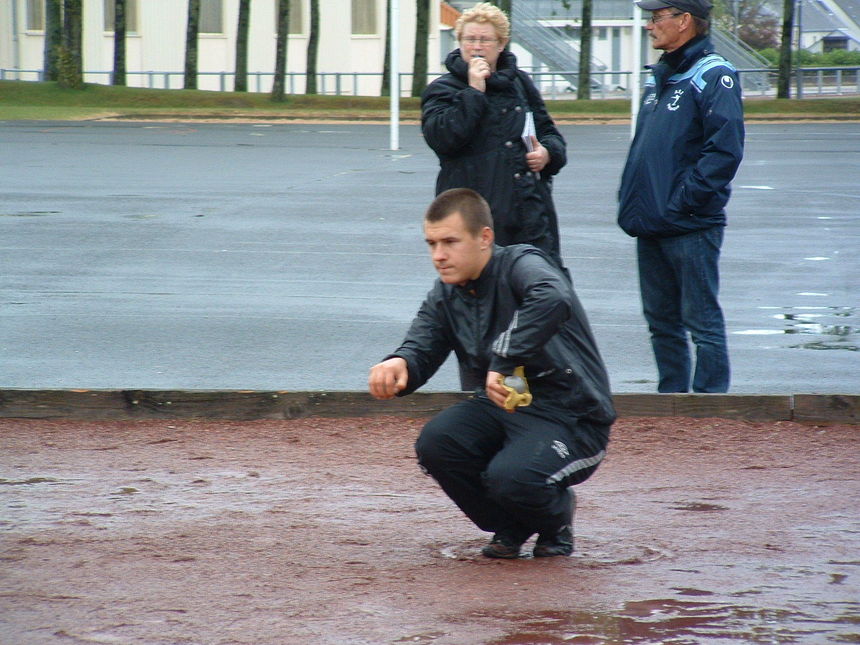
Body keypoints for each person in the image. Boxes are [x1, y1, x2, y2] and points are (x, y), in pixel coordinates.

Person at [368, 188, 615, 559]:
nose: (438, 255)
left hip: (573, 415)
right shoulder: (446, 294)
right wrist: (399, 363)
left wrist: (504, 358)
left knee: (512, 478)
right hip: (505, 405)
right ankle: (513, 523)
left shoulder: (521, 263)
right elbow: (421, 345)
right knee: (437, 443)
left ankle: (556, 521)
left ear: (484, 237)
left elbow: (553, 296)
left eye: (450, 242)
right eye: (432, 244)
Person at [617, 0, 744, 393]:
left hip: (689, 223)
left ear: (684, 21)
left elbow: (724, 151)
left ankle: (710, 407)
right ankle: (671, 403)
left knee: (702, 322)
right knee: (661, 323)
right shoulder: (660, 77)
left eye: (657, 18)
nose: (649, 26)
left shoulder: (714, 74)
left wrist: (685, 201)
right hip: (651, 221)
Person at [420, 2, 567, 268]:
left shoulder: (519, 82)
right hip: (473, 216)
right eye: (470, 39)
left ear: (501, 44)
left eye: (485, 39)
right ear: (459, 42)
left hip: (529, 213)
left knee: (543, 285)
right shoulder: (443, 89)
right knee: (482, 287)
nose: (476, 46)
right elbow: (442, 138)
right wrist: (474, 91)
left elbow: (548, 132)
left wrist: (547, 153)